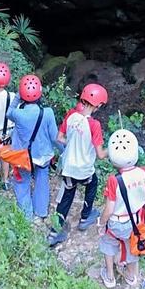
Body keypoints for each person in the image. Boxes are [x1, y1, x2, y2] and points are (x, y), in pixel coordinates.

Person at [48, 83, 109, 247]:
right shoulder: (94, 125)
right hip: (84, 170)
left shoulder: (71, 115)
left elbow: (59, 138)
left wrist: (73, 143)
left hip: (68, 167)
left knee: (66, 198)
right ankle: (85, 217)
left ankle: (54, 233)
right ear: (98, 105)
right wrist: (114, 148)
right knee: (93, 183)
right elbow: (101, 155)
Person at [98, 128, 145, 289]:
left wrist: (102, 223)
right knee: (132, 244)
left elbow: (109, 209)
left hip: (117, 222)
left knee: (108, 243)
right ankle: (131, 275)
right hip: (137, 221)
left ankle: (109, 276)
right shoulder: (143, 173)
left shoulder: (114, 180)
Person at [6, 74, 58, 222]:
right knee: (42, 181)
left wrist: (17, 96)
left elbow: (8, 112)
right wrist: (64, 150)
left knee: (22, 182)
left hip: (23, 157)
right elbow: (55, 137)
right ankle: (40, 213)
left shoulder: (18, 114)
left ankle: (27, 216)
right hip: (43, 156)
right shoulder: (47, 113)